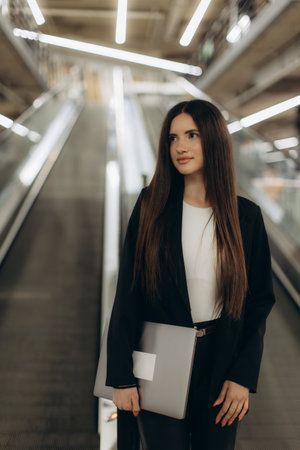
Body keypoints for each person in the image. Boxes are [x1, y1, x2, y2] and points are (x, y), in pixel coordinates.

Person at [106, 99, 276, 450]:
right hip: (160, 356)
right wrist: (121, 378)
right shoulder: (151, 206)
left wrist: (242, 376)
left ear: (214, 139)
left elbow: (259, 301)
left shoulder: (246, 217)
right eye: (172, 138)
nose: (179, 147)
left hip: (221, 359)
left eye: (191, 135)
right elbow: (128, 294)